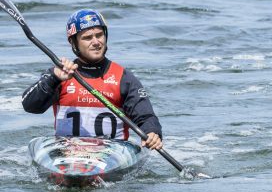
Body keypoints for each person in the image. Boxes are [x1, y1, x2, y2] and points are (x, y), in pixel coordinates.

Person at [21, 9, 164, 151]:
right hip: (67, 153)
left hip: (111, 154)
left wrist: (152, 132)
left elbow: (145, 116)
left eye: (99, 35)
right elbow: (30, 106)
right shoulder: (60, 75)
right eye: (88, 37)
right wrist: (53, 79)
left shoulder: (123, 78)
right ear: (73, 42)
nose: (96, 42)